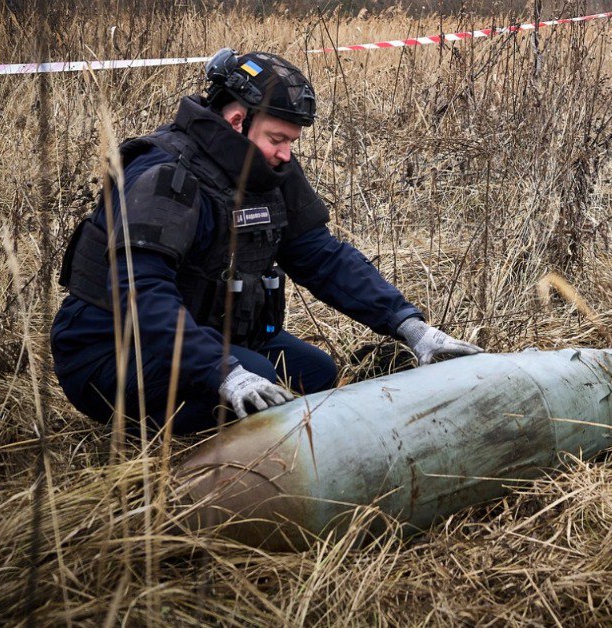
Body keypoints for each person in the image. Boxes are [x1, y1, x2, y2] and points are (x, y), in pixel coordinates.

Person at [53, 48, 480, 434]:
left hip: (207, 336)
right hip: (108, 351)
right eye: (278, 139)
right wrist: (226, 372)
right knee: (260, 380)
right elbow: (140, 291)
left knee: (314, 375)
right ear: (238, 121)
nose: (285, 155)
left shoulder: (268, 171)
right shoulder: (168, 173)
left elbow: (321, 256)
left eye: (292, 142)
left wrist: (411, 328)